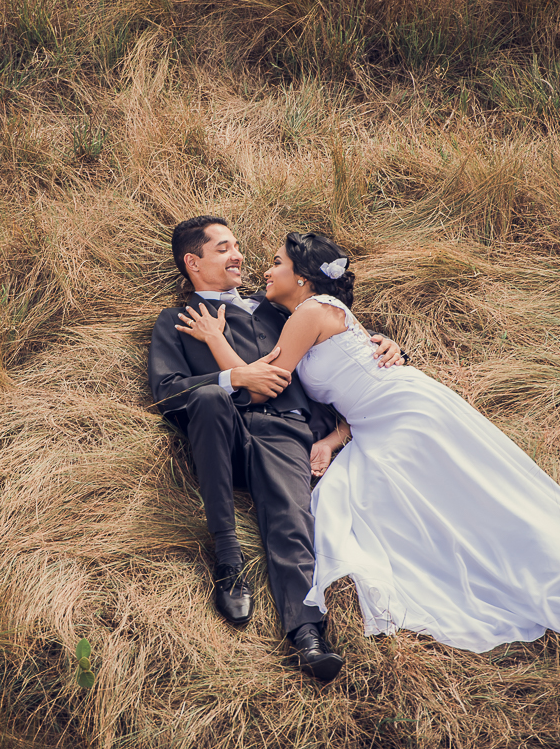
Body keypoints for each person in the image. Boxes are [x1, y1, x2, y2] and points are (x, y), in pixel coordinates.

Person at [175, 231, 560, 653]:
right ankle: (505, 567)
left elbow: (269, 378)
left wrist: (215, 337)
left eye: (277, 262)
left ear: (302, 277)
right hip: (380, 417)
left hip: (402, 412)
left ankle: (529, 569)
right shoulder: (316, 312)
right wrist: (335, 436)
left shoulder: (308, 312)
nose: (267, 268)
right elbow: (347, 380)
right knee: (451, 499)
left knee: (452, 499)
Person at [148, 216, 405, 681]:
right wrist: (232, 378)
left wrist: (386, 347)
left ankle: (308, 634)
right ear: (193, 262)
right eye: (224, 248)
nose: (239, 256)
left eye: (238, 246)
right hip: (221, 435)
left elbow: (337, 345)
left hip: (285, 431)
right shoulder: (176, 320)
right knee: (208, 395)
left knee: (290, 516)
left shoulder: (277, 310)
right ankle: (228, 560)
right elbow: (166, 391)